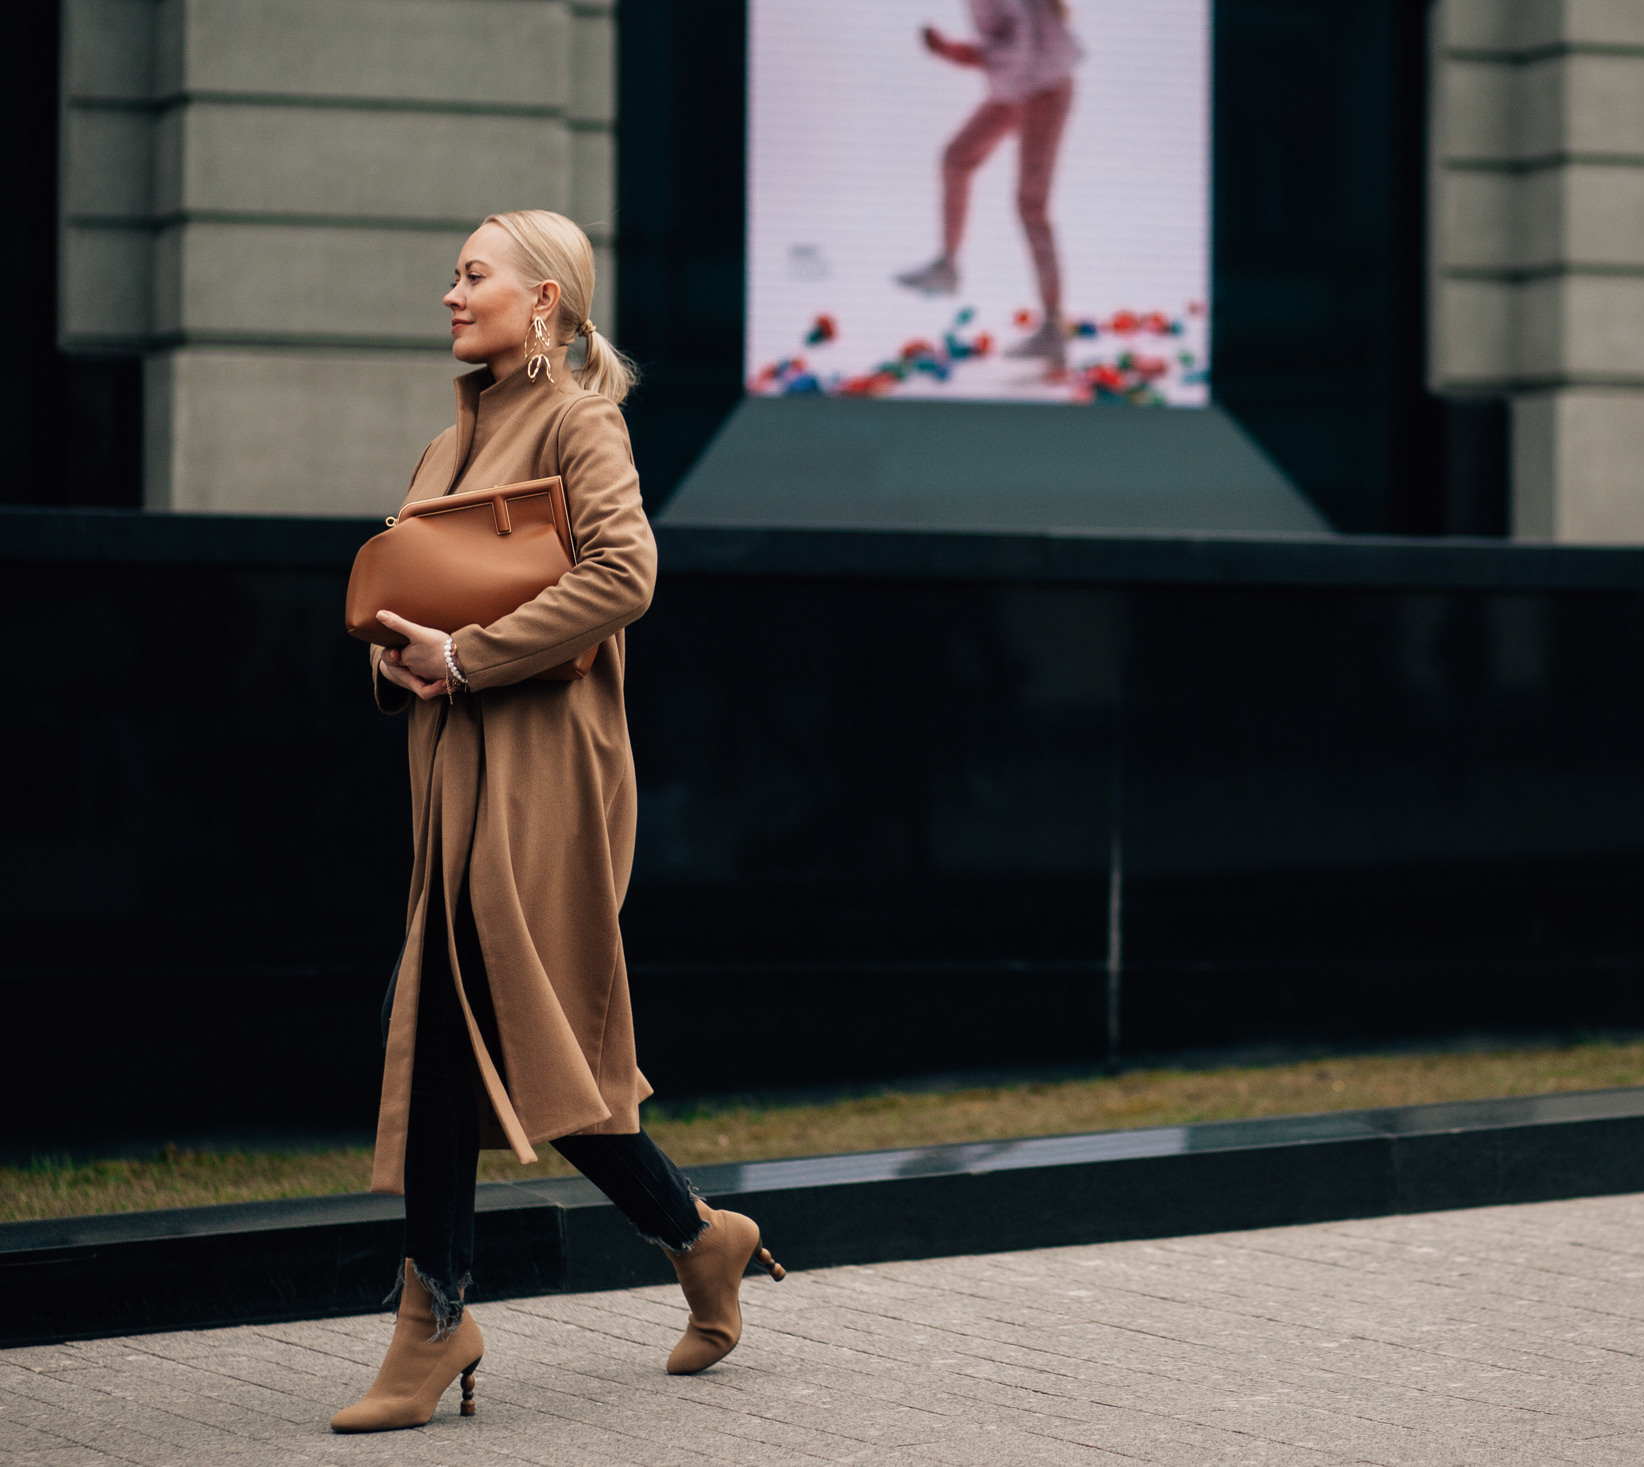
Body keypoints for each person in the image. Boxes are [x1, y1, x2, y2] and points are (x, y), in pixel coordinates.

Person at [333, 209, 784, 1435]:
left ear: (544, 300)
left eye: (473, 274)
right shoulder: (443, 444)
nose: (450, 293)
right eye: (452, 274)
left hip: (544, 773)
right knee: (515, 1033)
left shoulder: (584, 419)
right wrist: (410, 662)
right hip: (452, 768)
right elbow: (406, 605)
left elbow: (624, 575)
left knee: (456, 1018)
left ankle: (434, 1316)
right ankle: (696, 1237)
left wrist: (468, 656)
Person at [895, 0, 1083, 365]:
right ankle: (947, 268)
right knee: (956, 159)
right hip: (1019, 86)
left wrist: (958, 53)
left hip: (1043, 86)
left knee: (1031, 205)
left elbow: (1019, 48)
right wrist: (958, 53)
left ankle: (1053, 329)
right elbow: (1011, 48)